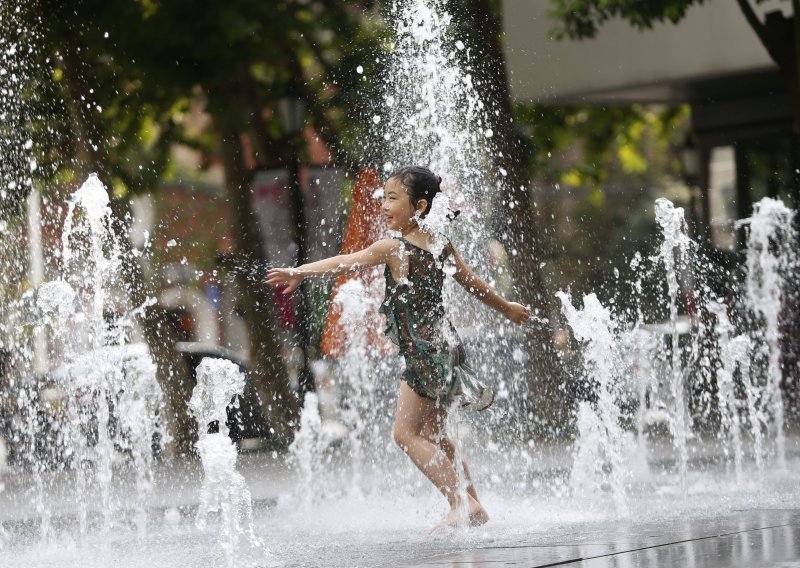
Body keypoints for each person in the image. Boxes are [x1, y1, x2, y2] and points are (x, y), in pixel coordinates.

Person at [267, 166, 530, 529]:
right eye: (384, 197)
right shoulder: (439, 243)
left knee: (404, 435)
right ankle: (474, 503)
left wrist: (299, 272)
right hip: (447, 346)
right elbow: (475, 284)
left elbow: (344, 263)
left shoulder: (394, 247)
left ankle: (459, 503)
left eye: (393, 198)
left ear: (419, 206)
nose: (384, 205)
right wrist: (509, 309)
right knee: (437, 435)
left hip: (424, 353)